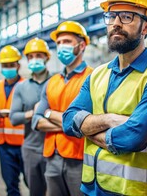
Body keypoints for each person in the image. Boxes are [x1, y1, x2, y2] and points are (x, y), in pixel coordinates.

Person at [62, 0, 147, 196]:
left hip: (135, 191)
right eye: (111, 16)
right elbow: (68, 120)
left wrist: (87, 130)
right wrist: (108, 120)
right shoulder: (97, 74)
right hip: (91, 188)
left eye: (127, 16)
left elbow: (130, 138)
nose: (116, 23)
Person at [31, 21, 93, 196]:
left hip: (80, 158)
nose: (61, 47)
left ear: (81, 46)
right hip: (52, 158)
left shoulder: (94, 78)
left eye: (66, 41)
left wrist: (48, 113)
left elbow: (90, 123)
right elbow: (36, 121)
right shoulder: (52, 82)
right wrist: (71, 125)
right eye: (58, 43)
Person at [10, 38, 51, 196]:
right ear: (27, 59)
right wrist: (33, 113)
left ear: (47, 57)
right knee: (35, 191)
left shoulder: (57, 82)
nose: (34, 60)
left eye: (39, 55)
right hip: (31, 149)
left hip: (54, 148)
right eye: (31, 56)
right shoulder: (21, 87)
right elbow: (14, 118)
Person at [0, 45, 26, 196]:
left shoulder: (26, 86)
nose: (8, 68)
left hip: (23, 144)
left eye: (11, 65)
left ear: (18, 65)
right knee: (10, 185)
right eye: (5, 65)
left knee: (32, 182)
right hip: (4, 146)